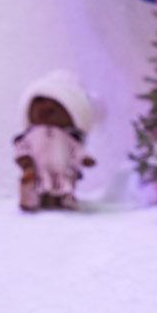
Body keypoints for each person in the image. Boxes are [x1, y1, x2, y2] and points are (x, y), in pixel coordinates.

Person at [13, 71, 97, 211]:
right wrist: (25, 159)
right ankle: (31, 196)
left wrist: (85, 158)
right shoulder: (30, 135)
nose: (46, 108)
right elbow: (23, 147)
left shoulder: (68, 137)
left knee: (65, 181)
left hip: (62, 168)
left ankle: (64, 198)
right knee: (38, 181)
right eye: (40, 101)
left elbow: (77, 150)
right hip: (38, 168)